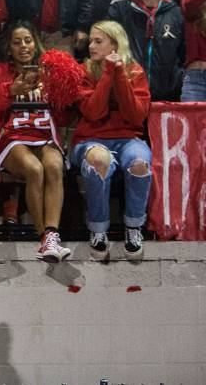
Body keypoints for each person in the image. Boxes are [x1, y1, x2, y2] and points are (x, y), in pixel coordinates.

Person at [0, 22, 71, 262]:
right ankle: (44, 236)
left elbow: (68, 111)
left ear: (35, 43)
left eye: (27, 40)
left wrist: (61, 88)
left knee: (54, 167)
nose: (23, 46)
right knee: (34, 169)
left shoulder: (50, 70)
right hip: (13, 137)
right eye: (17, 42)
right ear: (9, 48)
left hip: (45, 135)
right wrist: (10, 89)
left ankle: (52, 236)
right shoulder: (0, 71)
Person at [71, 19, 152, 262]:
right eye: (91, 41)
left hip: (128, 138)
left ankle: (134, 227)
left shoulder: (135, 71)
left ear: (115, 45)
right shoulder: (83, 71)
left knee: (139, 163)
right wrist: (108, 72)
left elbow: (136, 115)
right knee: (99, 159)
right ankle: (98, 230)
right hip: (90, 139)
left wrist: (120, 75)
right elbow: (93, 112)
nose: (91, 46)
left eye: (99, 41)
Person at [93, 0, 185, 101]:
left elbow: (183, 55)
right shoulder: (121, 10)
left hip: (167, 99)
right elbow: (96, 23)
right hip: (130, 98)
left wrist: (176, 83)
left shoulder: (175, 13)